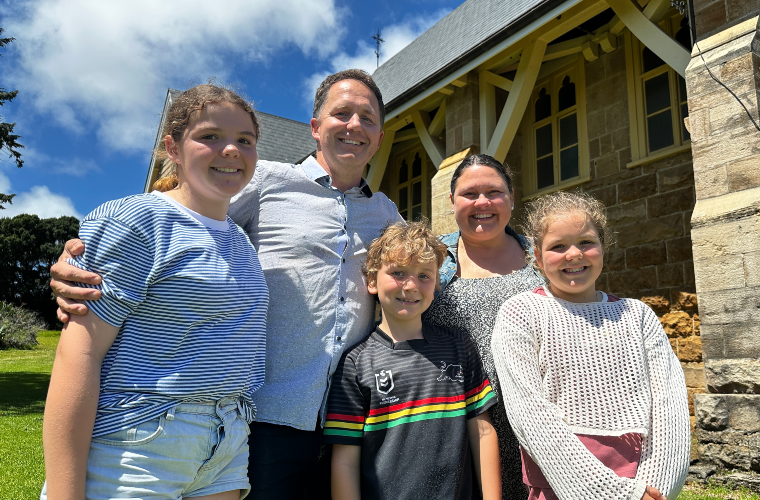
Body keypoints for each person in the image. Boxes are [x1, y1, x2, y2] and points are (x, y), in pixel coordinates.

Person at [49, 69, 402, 499]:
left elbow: (428, 265)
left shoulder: (386, 214)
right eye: (341, 113)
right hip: (263, 416)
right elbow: (181, 212)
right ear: (314, 127)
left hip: (346, 418)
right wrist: (82, 257)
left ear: (379, 139)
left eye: (367, 118)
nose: (354, 125)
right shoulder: (262, 179)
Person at [41, 84, 269, 499]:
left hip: (227, 442)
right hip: (139, 439)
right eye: (210, 136)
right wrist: (63, 491)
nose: (231, 150)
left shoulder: (241, 241)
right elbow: (78, 355)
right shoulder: (137, 221)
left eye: (245, 140)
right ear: (173, 148)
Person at [491, 191, 691, 500]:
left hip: (643, 480)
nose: (574, 254)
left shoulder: (638, 316)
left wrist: (655, 488)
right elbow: (529, 413)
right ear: (538, 258)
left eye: (586, 242)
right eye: (558, 246)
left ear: (603, 246)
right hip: (560, 483)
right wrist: (608, 492)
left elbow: (668, 403)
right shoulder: (521, 313)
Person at [325, 221, 501, 500]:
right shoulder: (356, 364)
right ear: (372, 281)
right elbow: (345, 461)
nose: (411, 285)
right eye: (398, 273)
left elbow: (482, 432)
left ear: (437, 283)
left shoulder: (458, 346)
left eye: (423, 275)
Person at [423, 154, 544, 499]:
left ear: (511, 197)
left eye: (494, 192)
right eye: (469, 194)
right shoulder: (430, 261)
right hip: (456, 429)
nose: (482, 203)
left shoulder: (543, 257)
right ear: (452, 201)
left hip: (537, 427)